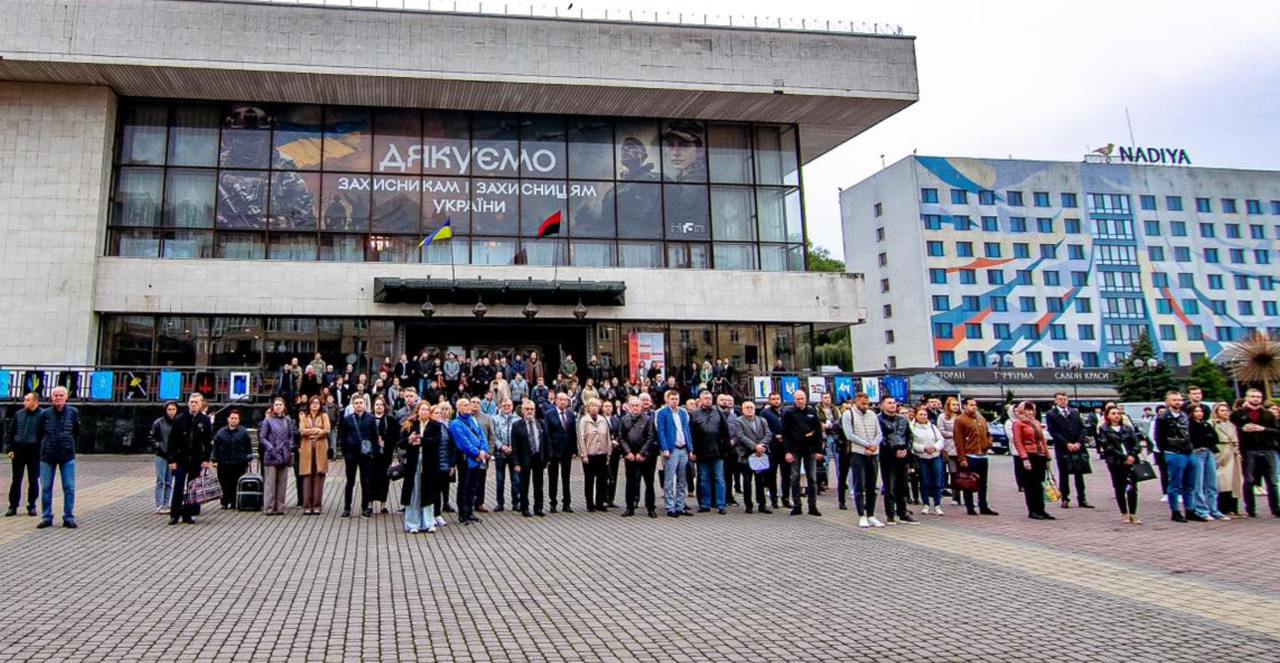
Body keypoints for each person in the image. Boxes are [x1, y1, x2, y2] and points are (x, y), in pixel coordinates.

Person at [1229, 388, 1280, 518]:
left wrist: (1263, 428)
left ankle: (1275, 508)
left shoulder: (1268, 414)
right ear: (1247, 397)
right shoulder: (1237, 414)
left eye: (1258, 396)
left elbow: (1276, 430)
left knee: (1272, 481)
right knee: (1249, 480)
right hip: (1249, 449)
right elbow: (1231, 428)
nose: (1256, 399)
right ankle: (1250, 509)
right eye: (1252, 396)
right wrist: (1243, 428)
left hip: (1268, 448)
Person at [34, 386, 80, 529]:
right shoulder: (44, 414)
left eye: (61, 395)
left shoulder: (73, 412)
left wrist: (70, 445)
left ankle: (68, 517)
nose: (58, 398)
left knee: (69, 487)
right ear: (51, 398)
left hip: (67, 455)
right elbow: (39, 433)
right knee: (46, 487)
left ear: (66, 397)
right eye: (56, 395)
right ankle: (47, 516)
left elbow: (76, 432)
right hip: (48, 456)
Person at [168, 392, 213, 525]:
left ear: (201, 404)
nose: (193, 404)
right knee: (178, 487)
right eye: (191, 402)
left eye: (196, 402)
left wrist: (206, 459)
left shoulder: (204, 420)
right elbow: (172, 441)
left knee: (192, 488)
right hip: (181, 459)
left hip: (196, 459)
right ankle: (174, 514)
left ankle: (188, 514)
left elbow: (207, 441)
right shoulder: (180, 419)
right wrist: (172, 460)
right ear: (188, 403)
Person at [400, 401, 442, 533]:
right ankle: (413, 524)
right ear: (417, 411)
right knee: (414, 492)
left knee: (428, 492)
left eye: (427, 410)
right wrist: (409, 440)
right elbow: (400, 443)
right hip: (413, 463)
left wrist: (422, 440)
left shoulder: (435, 425)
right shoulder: (411, 425)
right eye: (422, 409)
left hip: (429, 463)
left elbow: (437, 441)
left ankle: (428, 523)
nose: (424, 412)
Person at [1045, 393, 1093, 509]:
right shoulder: (1051, 414)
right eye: (1060, 399)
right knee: (1064, 474)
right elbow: (1053, 432)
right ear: (1055, 401)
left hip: (1077, 447)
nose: (1063, 401)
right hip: (1063, 448)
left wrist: (1078, 443)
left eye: (1065, 399)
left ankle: (1082, 498)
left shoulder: (1075, 412)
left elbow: (1082, 429)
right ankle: (1065, 498)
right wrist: (1066, 444)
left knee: (1079, 474)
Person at [843, 392, 884, 528]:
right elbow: (849, 435)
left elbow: (879, 433)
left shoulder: (872, 415)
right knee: (859, 484)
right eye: (863, 404)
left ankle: (871, 514)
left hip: (873, 453)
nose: (866, 406)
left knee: (872, 486)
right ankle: (861, 515)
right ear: (856, 402)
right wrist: (867, 444)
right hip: (858, 453)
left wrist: (874, 445)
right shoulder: (849, 415)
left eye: (867, 404)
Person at [1153, 391, 1195, 522]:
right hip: (1174, 453)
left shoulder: (1184, 416)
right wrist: (1166, 450)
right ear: (1167, 402)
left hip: (1188, 452)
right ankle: (1175, 511)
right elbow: (1158, 437)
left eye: (1179, 399)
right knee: (1175, 484)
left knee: (1190, 483)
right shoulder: (1163, 418)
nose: (1178, 402)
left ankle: (1190, 510)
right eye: (1174, 400)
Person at [448, 397, 490, 525]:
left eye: (468, 405)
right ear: (458, 408)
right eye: (465, 405)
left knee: (473, 487)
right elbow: (463, 443)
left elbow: (482, 436)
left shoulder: (473, 420)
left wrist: (483, 451)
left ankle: (470, 512)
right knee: (464, 487)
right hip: (465, 460)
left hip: (478, 459)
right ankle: (463, 514)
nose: (468, 407)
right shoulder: (455, 424)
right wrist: (476, 453)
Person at [953, 398, 997, 516]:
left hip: (982, 455)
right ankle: (970, 507)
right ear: (965, 406)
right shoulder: (960, 420)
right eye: (971, 405)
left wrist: (988, 443)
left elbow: (988, 434)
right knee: (969, 481)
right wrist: (962, 458)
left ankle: (983, 505)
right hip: (969, 454)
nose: (974, 407)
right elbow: (959, 440)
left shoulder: (981, 419)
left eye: (975, 405)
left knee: (983, 482)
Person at [782, 390, 823, 517]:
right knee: (795, 478)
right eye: (798, 399)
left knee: (812, 478)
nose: (800, 401)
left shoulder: (811, 411)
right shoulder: (789, 412)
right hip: (795, 449)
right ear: (794, 399)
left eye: (802, 398)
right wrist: (787, 452)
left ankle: (812, 506)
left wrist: (818, 450)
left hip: (810, 449)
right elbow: (786, 434)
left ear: (806, 398)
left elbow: (818, 431)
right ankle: (797, 505)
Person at [1010, 401, 1054, 520]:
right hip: (1029, 455)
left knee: (1040, 484)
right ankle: (1033, 510)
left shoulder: (1036, 422)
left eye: (1031, 410)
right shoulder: (1018, 423)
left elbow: (1042, 441)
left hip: (1040, 455)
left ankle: (1041, 509)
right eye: (1026, 410)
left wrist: (1047, 456)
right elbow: (1018, 442)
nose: (1029, 412)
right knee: (1030, 485)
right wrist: (1024, 458)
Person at [657, 390, 695, 517]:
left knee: (682, 479)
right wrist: (665, 448)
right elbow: (661, 431)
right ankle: (669, 507)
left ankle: (680, 505)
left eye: (677, 398)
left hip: (683, 448)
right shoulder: (662, 413)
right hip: (671, 449)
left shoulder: (683, 413)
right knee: (669, 479)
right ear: (667, 400)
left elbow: (686, 431)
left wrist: (690, 449)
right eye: (672, 398)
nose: (675, 401)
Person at [618, 396, 658, 517]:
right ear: (628, 407)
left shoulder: (648, 419)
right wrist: (627, 452)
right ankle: (629, 508)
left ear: (641, 407)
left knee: (649, 482)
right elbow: (621, 437)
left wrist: (642, 453)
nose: (635, 408)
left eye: (637, 405)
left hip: (645, 456)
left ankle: (650, 508)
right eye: (632, 406)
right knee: (630, 482)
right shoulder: (624, 420)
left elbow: (651, 437)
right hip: (630, 455)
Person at [690, 390, 729, 514]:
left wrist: (725, 449)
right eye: (706, 398)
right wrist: (693, 451)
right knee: (704, 478)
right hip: (701, 451)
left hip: (717, 451)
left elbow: (725, 432)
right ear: (700, 400)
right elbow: (691, 434)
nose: (708, 400)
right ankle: (705, 504)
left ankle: (721, 504)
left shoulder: (718, 413)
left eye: (710, 398)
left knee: (719, 478)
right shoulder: (694, 414)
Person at [729, 399, 771, 514]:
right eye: (746, 407)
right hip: (746, 455)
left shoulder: (762, 420)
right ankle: (749, 505)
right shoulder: (738, 421)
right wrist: (754, 447)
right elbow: (740, 436)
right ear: (742, 410)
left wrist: (761, 445)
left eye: (751, 407)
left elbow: (768, 434)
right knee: (747, 481)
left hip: (760, 455)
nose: (749, 409)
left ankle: (762, 505)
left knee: (761, 481)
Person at [1187, 404, 1228, 522]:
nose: (1199, 413)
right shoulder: (1190, 425)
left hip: (1209, 452)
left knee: (1212, 483)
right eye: (1196, 411)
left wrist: (1207, 438)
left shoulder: (1206, 424)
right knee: (1198, 483)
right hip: (1197, 453)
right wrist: (1206, 438)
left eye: (1201, 411)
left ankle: (1213, 509)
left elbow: (1215, 438)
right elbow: (1195, 439)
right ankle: (1201, 510)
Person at [876, 396, 913, 524]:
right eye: (889, 403)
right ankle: (890, 514)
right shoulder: (879, 420)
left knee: (902, 486)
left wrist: (906, 450)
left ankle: (902, 512)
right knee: (889, 486)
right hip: (888, 457)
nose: (892, 405)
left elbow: (909, 436)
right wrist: (893, 451)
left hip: (903, 456)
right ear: (882, 405)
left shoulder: (902, 420)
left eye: (894, 403)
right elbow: (881, 438)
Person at [5, 393, 43, 518]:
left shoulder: (42, 415)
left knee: (33, 479)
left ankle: (31, 505)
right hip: (19, 449)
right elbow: (11, 431)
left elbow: (44, 434)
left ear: (35, 401)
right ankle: (13, 506)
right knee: (16, 479)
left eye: (28, 400)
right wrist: (9, 448)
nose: (25, 402)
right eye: (25, 400)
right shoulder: (19, 414)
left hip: (34, 451)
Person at [341, 394, 376, 519]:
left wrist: (373, 452)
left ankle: (365, 508)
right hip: (351, 454)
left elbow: (374, 436)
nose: (359, 405)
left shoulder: (370, 418)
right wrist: (345, 452)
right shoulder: (347, 419)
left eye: (361, 402)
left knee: (365, 482)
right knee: (350, 482)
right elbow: (343, 436)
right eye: (356, 403)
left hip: (365, 455)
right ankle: (347, 509)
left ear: (365, 404)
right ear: (353, 405)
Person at [511, 399, 548, 517]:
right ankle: (524, 508)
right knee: (524, 485)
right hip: (524, 459)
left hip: (538, 457)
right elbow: (514, 446)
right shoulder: (516, 425)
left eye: (532, 409)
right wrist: (516, 462)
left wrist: (547, 458)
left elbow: (546, 442)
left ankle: (538, 508)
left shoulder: (541, 423)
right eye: (527, 409)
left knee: (539, 484)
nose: (529, 411)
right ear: (522, 410)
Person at [258, 398, 294, 516]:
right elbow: (262, 437)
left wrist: (289, 446)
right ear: (273, 407)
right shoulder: (268, 420)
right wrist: (271, 448)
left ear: (284, 406)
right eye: (276, 405)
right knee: (270, 483)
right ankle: (269, 507)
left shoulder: (287, 420)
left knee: (282, 482)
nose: (278, 406)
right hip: (271, 454)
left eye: (280, 404)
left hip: (284, 453)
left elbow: (291, 435)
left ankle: (280, 507)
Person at [211, 409, 253, 510]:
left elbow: (248, 446)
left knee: (236, 482)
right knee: (224, 483)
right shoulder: (221, 432)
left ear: (239, 420)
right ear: (228, 419)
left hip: (239, 462)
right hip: (223, 462)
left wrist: (249, 457)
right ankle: (225, 502)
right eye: (232, 418)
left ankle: (234, 502)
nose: (233, 420)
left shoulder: (243, 432)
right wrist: (214, 459)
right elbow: (216, 447)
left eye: (236, 418)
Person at [544, 392, 577, 513]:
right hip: (554, 451)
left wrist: (574, 450)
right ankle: (553, 503)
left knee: (566, 478)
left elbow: (573, 433)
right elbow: (546, 434)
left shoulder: (570, 414)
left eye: (565, 400)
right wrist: (549, 452)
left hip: (567, 451)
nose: (563, 402)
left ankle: (566, 503)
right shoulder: (549, 414)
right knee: (553, 478)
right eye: (561, 399)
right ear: (556, 401)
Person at [909, 406, 945, 516]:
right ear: (916, 415)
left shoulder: (933, 427)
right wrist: (924, 448)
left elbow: (940, 439)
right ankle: (926, 504)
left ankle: (937, 505)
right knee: (925, 481)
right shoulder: (912, 427)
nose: (923, 417)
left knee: (937, 481)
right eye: (920, 414)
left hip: (935, 456)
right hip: (922, 457)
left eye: (925, 414)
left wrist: (935, 447)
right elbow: (912, 443)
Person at [577, 398, 612, 511]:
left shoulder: (602, 420)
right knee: (589, 480)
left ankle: (600, 503)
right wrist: (583, 454)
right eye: (592, 406)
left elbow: (607, 437)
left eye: (597, 406)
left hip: (602, 453)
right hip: (589, 454)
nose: (595, 408)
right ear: (588, 407)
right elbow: (581, 438)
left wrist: (608, 453)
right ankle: (589, 504)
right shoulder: (584, 420)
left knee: (601, 480)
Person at [298, 396, 330, 515]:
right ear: (309, 404)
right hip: (306, 449)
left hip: (320, 449)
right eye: (313, 403)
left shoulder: (324, 416)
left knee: (319, 476)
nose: (315, 405)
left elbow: (327, 430)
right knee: (307, 476)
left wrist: (311, 431)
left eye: (317, 403)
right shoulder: (303, 416)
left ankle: (317, 505)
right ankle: (307, 505)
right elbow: (302, 431)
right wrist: (317, 431)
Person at [1212, 403, 1244, 517]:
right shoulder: (1214, 424)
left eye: (1226, 410)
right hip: (1222, 452)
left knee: (1235, 481)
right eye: (1222, 411)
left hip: (1233, 453)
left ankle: (1234, 508)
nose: (1225, 413)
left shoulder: (1231, 425)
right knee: (1224, 481)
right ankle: (1223, 508)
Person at [369, 397, 397, 515]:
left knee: (384, 479)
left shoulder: (390, 420)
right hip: (371, 455)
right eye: (377, 404)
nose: (379, 406)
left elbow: (396, 435)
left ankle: (383, 505)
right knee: (370, 479)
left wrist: (386, 440)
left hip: (385, 455)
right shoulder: (369, 418)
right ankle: (369, 504)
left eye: (381, 404)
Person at [759, 392, 787, 510]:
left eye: (777, 399)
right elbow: (763, 429)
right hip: (772, 447)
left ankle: (785, 498)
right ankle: (774, 499)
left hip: (785, 447)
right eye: (773, 399)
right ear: (769, 400)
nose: (776, 401)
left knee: (786, 474)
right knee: (771, 474)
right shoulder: (765, 413)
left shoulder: (786, 411)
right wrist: (774, 436)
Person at [491, 398, 519, 513]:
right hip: (500, 453)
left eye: (509, 405)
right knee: (500, 479)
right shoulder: (495, 419)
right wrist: (501, 446)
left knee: (516, 479)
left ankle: (516, 503)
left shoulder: (518, 419)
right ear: (500, 406)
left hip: (514, 454)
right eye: (504, 405)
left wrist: (513, 447)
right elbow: (493, 435)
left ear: (512, 406)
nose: (507, 407)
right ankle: (500, 503)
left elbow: (519, 436)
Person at [602, 400, 624, 509]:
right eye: (606, 406)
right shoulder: (601, 420)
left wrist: (616, 440)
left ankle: (611, 498)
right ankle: (603, 498)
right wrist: (610, 441)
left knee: (614, 474)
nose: (608, 408)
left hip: (615, 451)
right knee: (605, 475)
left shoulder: (616, 420)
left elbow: (620, 432)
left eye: (610, 406)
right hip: (604, 450)